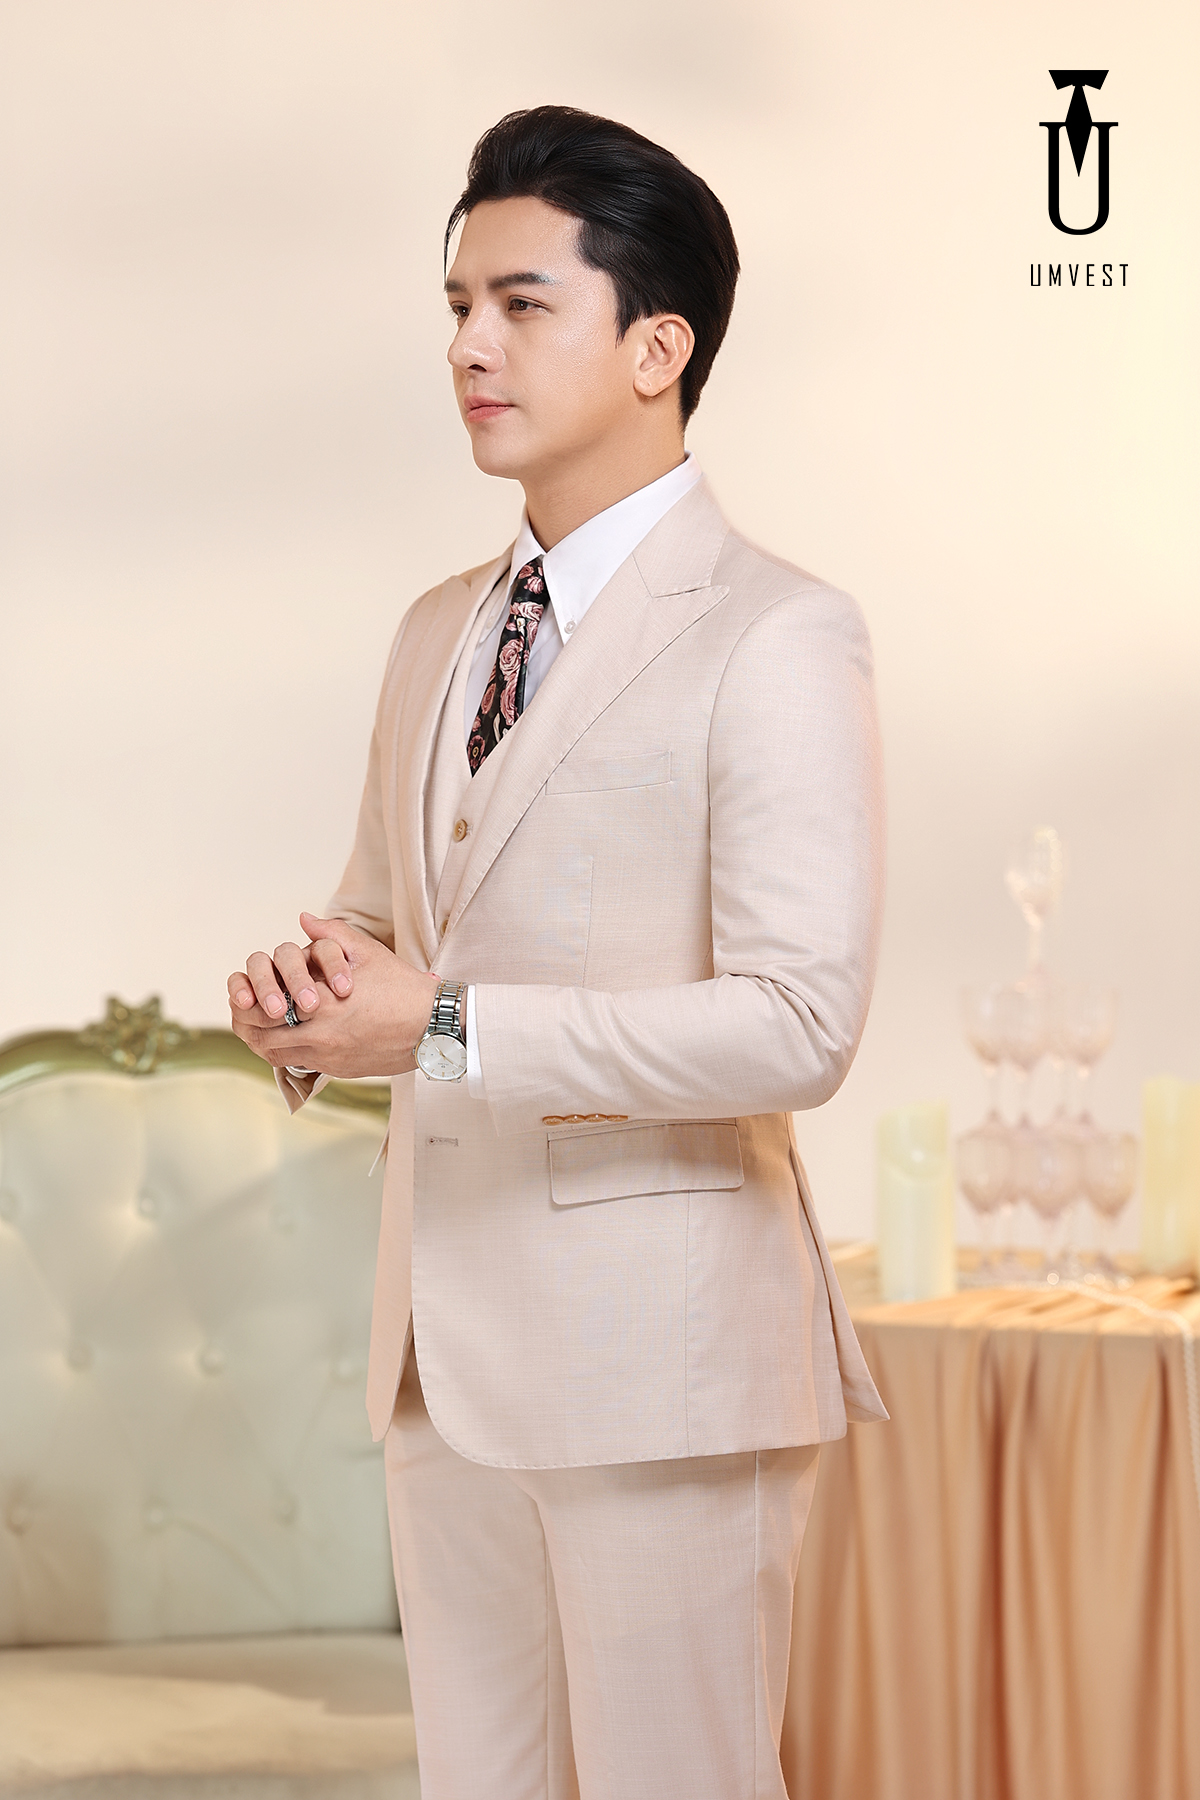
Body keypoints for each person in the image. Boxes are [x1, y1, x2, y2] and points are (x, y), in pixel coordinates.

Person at [228, 103, 886, 1800]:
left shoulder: (777, 634)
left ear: (659, 347)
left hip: (661, 1366)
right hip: (439, 1360)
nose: (469, 346)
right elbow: (385, 918)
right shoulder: (435, 630)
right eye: (459, 304)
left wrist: (437, 1028)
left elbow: (798, 1024)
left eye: (523, 305)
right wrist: (313, 994)